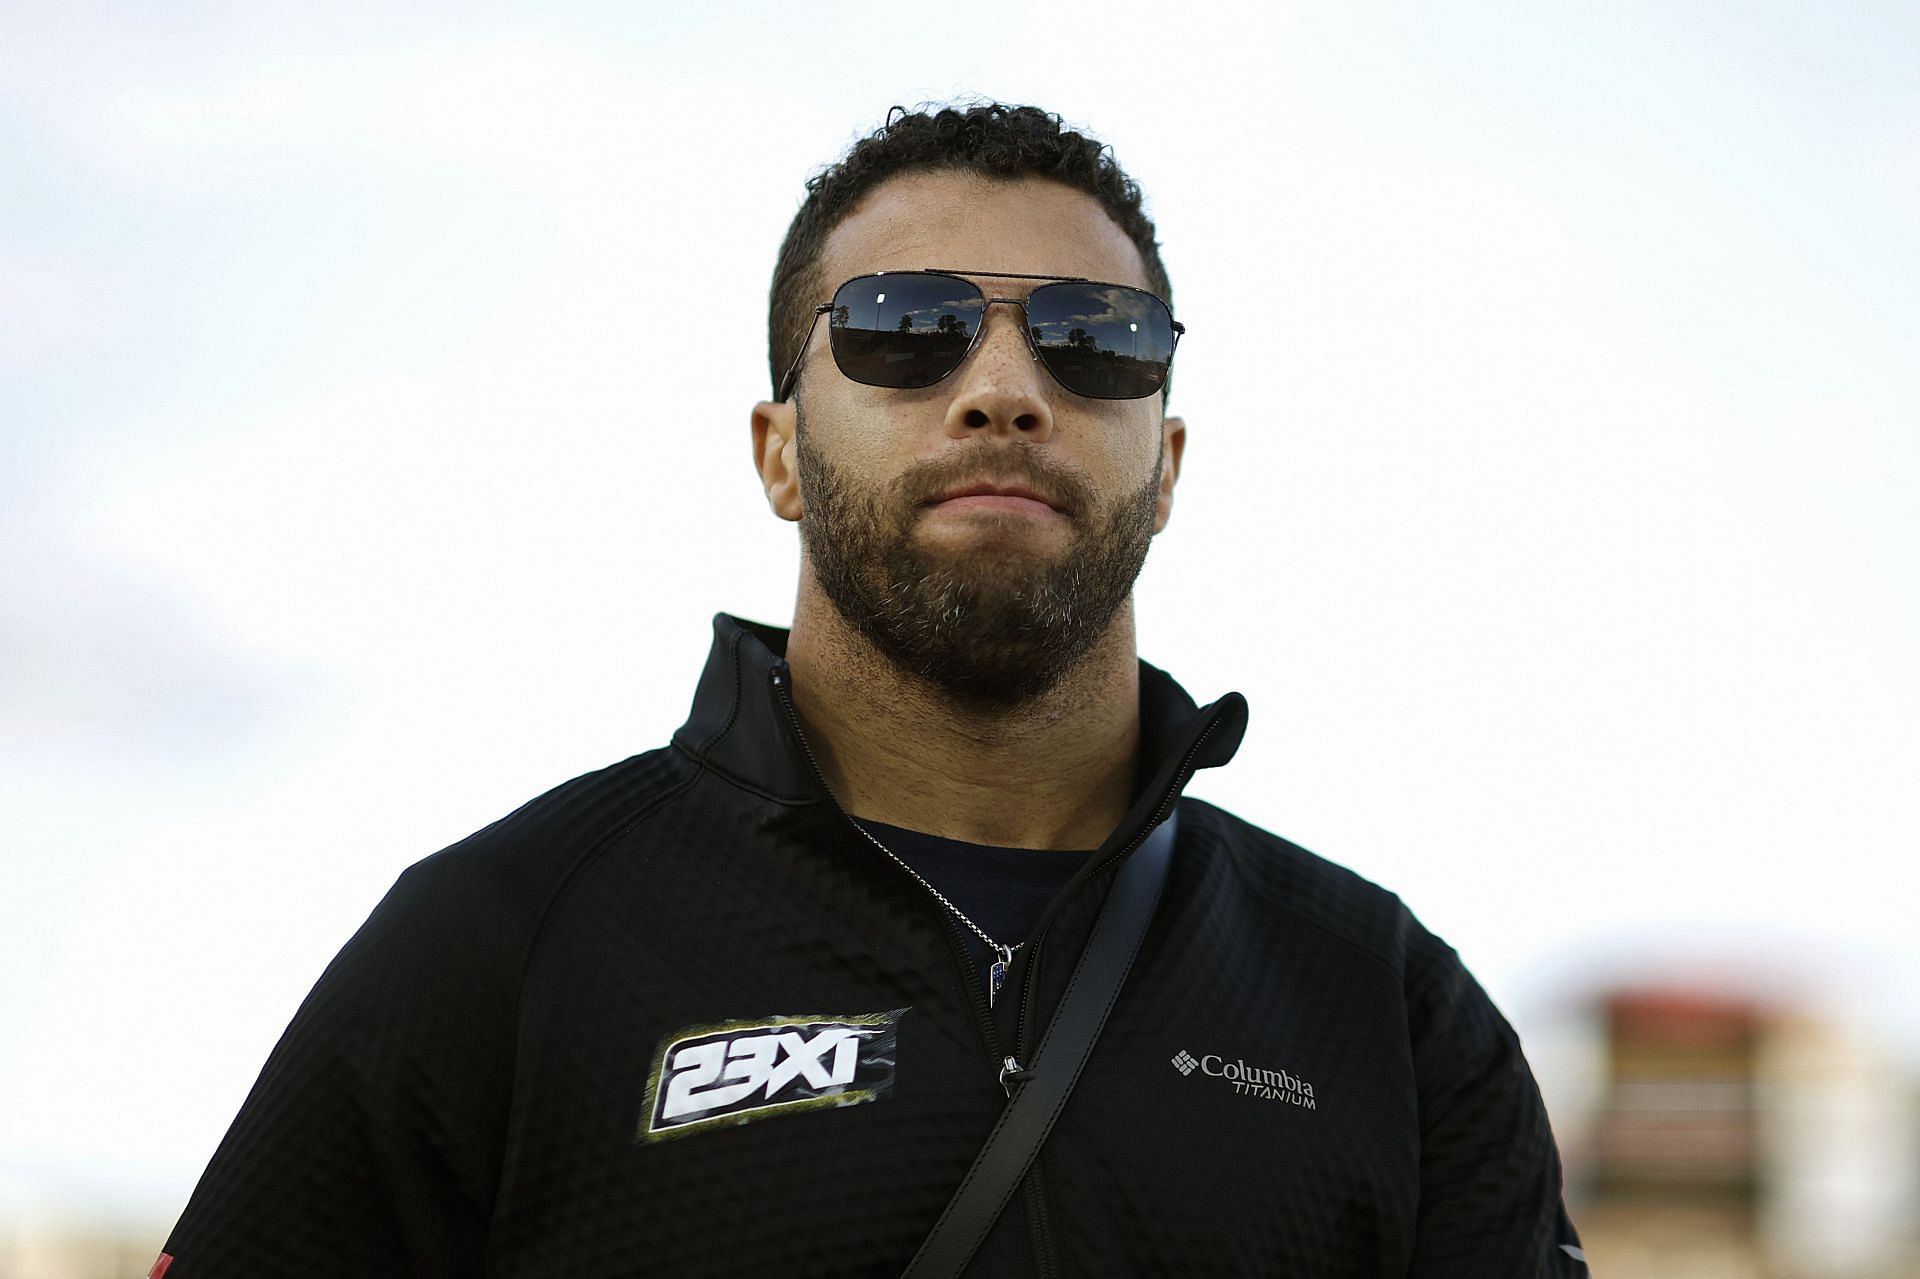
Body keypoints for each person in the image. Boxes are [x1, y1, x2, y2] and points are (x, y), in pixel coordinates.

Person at [155, 102, 1586, 1277]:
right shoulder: (504, 946)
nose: (1007, 390)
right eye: (906, 329)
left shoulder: (1377, 1004)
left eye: (1096, 341)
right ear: (778, 452)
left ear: (1168, 467)